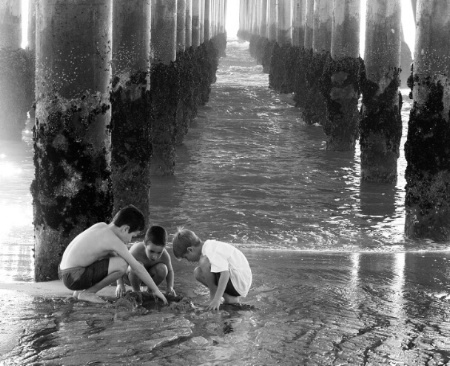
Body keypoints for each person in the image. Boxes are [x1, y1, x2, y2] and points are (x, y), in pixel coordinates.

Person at [58, 205, 168, 305]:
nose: (130, 240)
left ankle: (79, 292)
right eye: (133, 236)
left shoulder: (101, 226)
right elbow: (137, 267)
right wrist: (156, 290)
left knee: (112, 256)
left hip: (64, 272)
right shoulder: (114, 240)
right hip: (74, 276)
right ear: (125, 229)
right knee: (122, 264)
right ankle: (88, 293)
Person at [172, 227, 252, 311]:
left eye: (186, 257)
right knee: (198, 272)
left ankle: (216, 297)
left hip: (239, 281)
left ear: (190, 250)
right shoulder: (209, 246)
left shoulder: (209, 251)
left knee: (203, 263)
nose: (188, 260)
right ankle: (230, 299)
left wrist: (216, 299)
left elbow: (225, 273)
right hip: (239, 280)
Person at [116, 225, 176, 298]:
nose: (155, 256)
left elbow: (170, 271)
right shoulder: (136, 250)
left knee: (163, 269)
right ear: (145, 244)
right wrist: (120, 284)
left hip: (149, 278)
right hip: (130, 277)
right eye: (151, 251)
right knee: (137, 265)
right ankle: (136, 292)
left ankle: (150, 291)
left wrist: (170, 287)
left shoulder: (165, 255)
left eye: (159, 252)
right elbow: (119, 265)